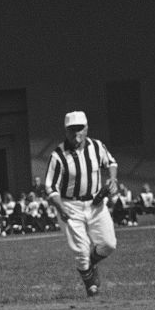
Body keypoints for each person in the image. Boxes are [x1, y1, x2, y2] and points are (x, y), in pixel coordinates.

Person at [44, 111, 117, 296]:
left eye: (80, 129)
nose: (76, 134)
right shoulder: (58, 156)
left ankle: (91, 265)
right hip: (70, 206)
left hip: (95, 203)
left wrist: (113, 180)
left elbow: (111, 162)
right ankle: (91, 287)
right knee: (81, 251)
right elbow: (50, 186)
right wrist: (60, 208)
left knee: (109, 244)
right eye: (72, 130)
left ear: (86, 129)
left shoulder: (97, 146)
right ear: (66, 131)